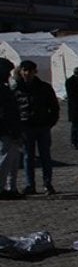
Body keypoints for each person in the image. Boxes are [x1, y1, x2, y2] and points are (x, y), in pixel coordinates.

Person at [12, 60, 59, 195]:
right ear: (20, 72)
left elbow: (54, 107)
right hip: (26, 126)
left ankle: (47, 183)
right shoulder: (17, 89)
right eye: (25, 71)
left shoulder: (44, 87)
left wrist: (50, 122)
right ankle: (30, 184)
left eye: (30, 71)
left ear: (34, 72)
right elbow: (13, 109)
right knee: (28, 157)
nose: (27, 74)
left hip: (42, 126)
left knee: (45, 156)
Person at [0, 58, 21, 199]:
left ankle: (9, 187)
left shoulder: (5, 87)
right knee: (4, 160)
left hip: (10, 129)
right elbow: (5, 112)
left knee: (12, 160)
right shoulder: (2, 89)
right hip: (5, 130)